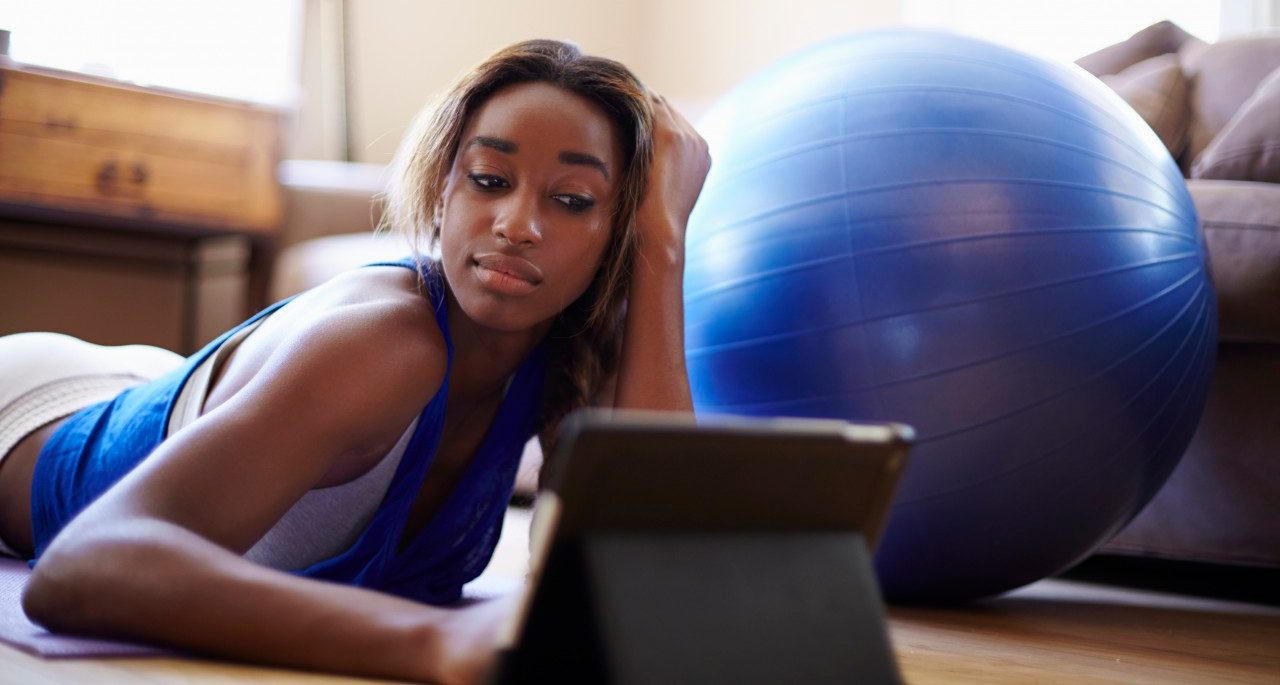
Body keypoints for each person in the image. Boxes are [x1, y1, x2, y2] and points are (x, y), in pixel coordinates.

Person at [0, 39, 709, 684]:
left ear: (615, 231)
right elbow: (78, 566)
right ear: (442, 189)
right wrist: (435, 637)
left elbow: (659, 582)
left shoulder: (569, 357)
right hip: (30, 405)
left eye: (572, 200)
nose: (517, 224)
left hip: (175, 385)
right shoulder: (388, 344)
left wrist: (662, 245)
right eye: (490, 180)